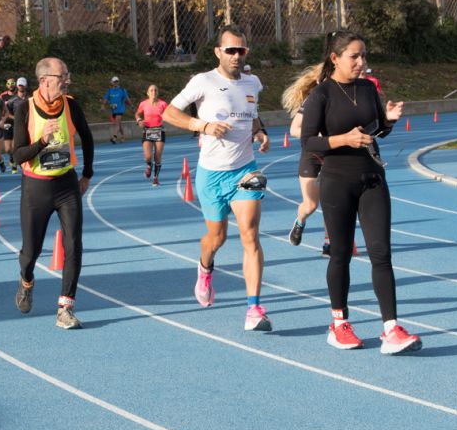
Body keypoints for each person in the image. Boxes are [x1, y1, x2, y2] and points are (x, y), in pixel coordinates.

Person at [299, 30, 419, 354]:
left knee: (381, 253)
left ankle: (391, 329)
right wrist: (342, 140)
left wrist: (389, 120)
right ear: (335, 58)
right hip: (337, 180)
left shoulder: (368, 89)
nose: (361, 62)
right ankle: (339, 324)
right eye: (354, 56)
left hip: (372, 178)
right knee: (340, 254)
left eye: (364, 55)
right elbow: (308, 141)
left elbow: (374, 129)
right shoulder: (321, 95)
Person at [161, 24, 273, 332]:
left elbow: (252, 115)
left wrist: (260, 132)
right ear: (218, 52)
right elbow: (169, 113)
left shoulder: (253, 82)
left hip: (244, 169)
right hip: (211, 174)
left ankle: (253, 309)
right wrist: (202, 126)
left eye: (242, 50)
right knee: (217, 238)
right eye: (231, 50)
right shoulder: (203, 81)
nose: (237, 56)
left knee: (250, 236)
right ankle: (205, 268)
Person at [12, 57, 96, 330]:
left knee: (73, 245)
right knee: (31, 252)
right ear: (45, 80)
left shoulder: (71, 105)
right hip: (36, 187)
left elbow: (87, 137)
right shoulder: (25, 108)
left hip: (66, 185)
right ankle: (26, 280)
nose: (67, 80)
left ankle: (65, 307)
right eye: (62, 76)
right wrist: (42, 142)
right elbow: (17, 155)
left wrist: (87, 174)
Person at [281, 66, 330, 255]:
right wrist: (317, 135)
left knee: (331, 201)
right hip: (312, 155)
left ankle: (329, 241)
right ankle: (300, 221)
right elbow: (294, 129)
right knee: (310, 205)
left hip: (334, 156)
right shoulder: (313, 101)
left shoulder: (346, 101)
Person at [135, 83, 168, 187]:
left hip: (159, 131)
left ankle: (155, 178)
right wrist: (139, 120)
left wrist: (166, 116)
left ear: (157, 93)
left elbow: (169, 114)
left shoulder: (163, 104)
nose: (154, 92)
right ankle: (149, 165)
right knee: (148, 157)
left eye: (155, 90)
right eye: (152, 90)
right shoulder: (143, 104)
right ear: (148, 93)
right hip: (148, 130)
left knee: (158, 156)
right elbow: (137, 113)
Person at [3, 78, 29, 174]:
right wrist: (15, 118)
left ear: (25, 86)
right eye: (19, 85)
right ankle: (11, 158)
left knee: (15, 146)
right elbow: (6, 113)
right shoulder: (12, 100)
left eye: (22, 85)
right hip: (10, 123)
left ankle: (16, 163)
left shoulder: (30, 99)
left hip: (21, 126)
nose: (21, 87)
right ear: (17, 86)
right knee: (7, 149)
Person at [103, 76, 130, 144]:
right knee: (119, 124)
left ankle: (114, 137)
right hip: (113, 109)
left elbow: (127, 98)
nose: (116, 83)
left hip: (120, 109)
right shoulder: (110, 90)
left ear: (118, 82)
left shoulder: (122, 90)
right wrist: (103, 105)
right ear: (112, 82)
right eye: (114, 81)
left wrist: (131, 105)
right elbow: (106, 98)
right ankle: (123, 137)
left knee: (117, 123)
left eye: (117, 81)